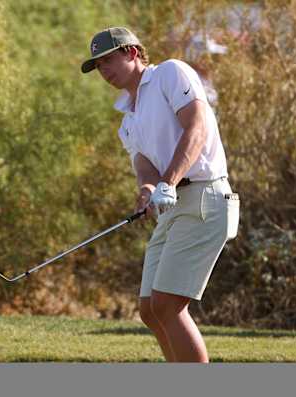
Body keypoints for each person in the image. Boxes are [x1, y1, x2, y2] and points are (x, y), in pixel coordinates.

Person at [81, 27, 239, 362]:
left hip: (205, 197)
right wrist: (148, 190)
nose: (103, 70)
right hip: (173, 206)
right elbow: (144, 166)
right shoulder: (127, 118)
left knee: (167, 305)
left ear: (132, 53)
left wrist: (167, 182)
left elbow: (197, 127)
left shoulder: (170, 73)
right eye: (98, 66)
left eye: (108, 60)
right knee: (150, 311)